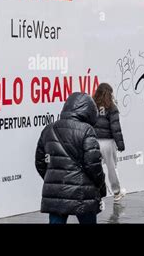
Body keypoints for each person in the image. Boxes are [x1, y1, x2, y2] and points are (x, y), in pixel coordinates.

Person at [35, 92, 106, 224]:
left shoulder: (48, 129)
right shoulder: (86, 130)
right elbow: (93, 165)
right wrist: (101, 184)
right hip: (83, 193)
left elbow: (40, 162)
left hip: (55, 193)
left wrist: (53, 179)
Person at [93, 83, 127, 202]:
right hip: (108, 143)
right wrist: (120, 144)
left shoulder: (92, 106)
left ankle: (95, 192)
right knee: (112, 168)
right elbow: (115, 128)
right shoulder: (112, 108)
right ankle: (116, 192)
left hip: (94, 142)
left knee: (93, 167)